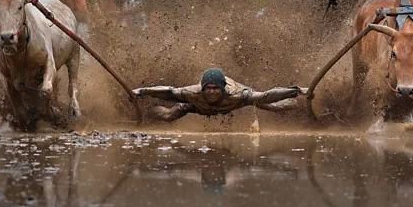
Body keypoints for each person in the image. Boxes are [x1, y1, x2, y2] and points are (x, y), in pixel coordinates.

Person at [132, 68, 308, 121]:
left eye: (216, 88)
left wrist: (296, 91)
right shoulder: (193, 93)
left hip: (233, 103)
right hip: (198, 106)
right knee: (169, 115)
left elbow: (265, 96)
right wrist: (142, 91)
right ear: (202, 88)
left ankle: (302, 106)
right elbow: (170, 92)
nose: (212, 92)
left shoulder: (237, 95)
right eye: (208, 88)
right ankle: (148, 111)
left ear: (222, 89)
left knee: (273, 106)